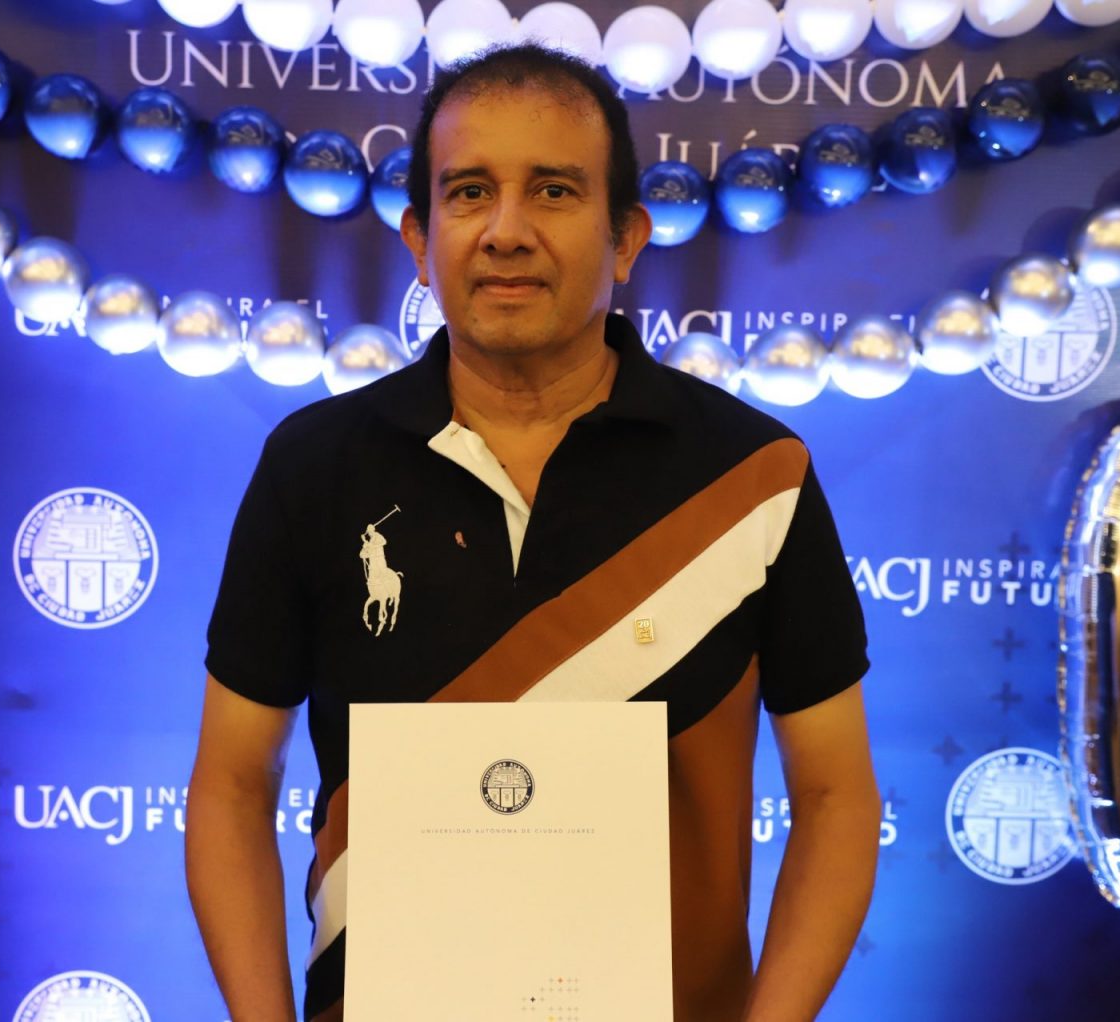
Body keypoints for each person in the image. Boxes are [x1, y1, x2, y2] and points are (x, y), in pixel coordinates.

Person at [187, 43, 880, 1022]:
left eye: (553, 191)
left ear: (626, 237)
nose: (506, 232)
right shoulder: (313, 464)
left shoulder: (754, 474)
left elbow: (838, 796)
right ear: (419, 239)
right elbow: (229, 782)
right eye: (469, 192)